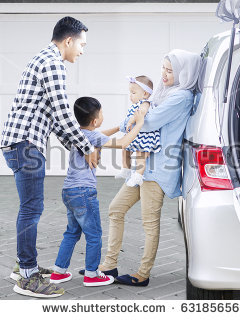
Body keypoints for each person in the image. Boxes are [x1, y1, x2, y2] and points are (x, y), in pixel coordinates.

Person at [79, 49, 202, 286]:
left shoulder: (181, 97)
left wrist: (136, 117)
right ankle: (110, 265)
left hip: (159, 167)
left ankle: (142, 274)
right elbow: (136, 118)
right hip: (142, 169)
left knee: (149, 221)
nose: (164, 75)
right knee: (116, 209)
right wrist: (136, 116)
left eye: (170, 70)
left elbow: (147, 123)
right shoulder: (164, 93)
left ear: (184, 73)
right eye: (163, 69)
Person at [1, 16, 99, 298]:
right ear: (68, 40)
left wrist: (76, 146)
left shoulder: (44, 59)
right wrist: (87, 147)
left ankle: (24, 267)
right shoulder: (53, 63)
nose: (82, 50)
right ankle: (28, 277)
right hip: (25, 144)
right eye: (81, 44)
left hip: (21, 142)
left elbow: (55, 121)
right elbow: (63, 114)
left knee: (30, 207)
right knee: (31, 209)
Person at [49, 97, 146, 287]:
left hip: (69, 190)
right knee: (94, 235)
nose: (102, 116)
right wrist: (140, 123)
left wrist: (119, 126)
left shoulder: (79, 133)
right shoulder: (94, 137)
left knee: (71, 233)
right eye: (101, 113)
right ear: (95, 120)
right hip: (85, 192)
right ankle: (92, 274)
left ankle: (59, 272)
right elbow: (124, 143)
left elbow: (101, 134)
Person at [115, 76, 161, 187]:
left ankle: (138, 176)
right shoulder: (134, 105)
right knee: (125, 149)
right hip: (134, 134)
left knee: (141, 157)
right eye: (130, 92)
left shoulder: (145, 103)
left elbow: (142, 112)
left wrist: (131, 121)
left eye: (133, 93)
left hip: (144, 136)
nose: (130, 95)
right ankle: (126, 169)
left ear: (145, 94)